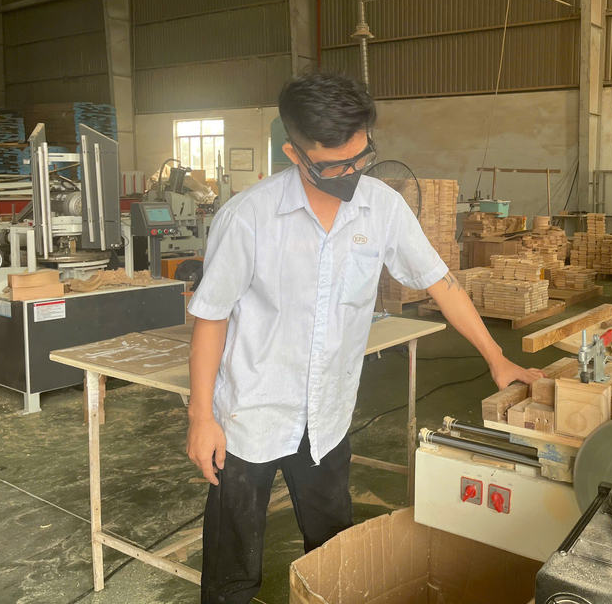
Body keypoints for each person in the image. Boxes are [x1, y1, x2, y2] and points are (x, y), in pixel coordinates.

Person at [186, 72, 543, 603]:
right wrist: (201, 418)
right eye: (335, 166)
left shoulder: (382, 208)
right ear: (294, 153)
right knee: (231, 570)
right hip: (247, 416)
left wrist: (496, 357)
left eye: (361, 158)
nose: (352, 174)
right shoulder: (248, 218)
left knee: (336, 556)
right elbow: (212, 317)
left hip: (326, 417)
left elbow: (441, 283)